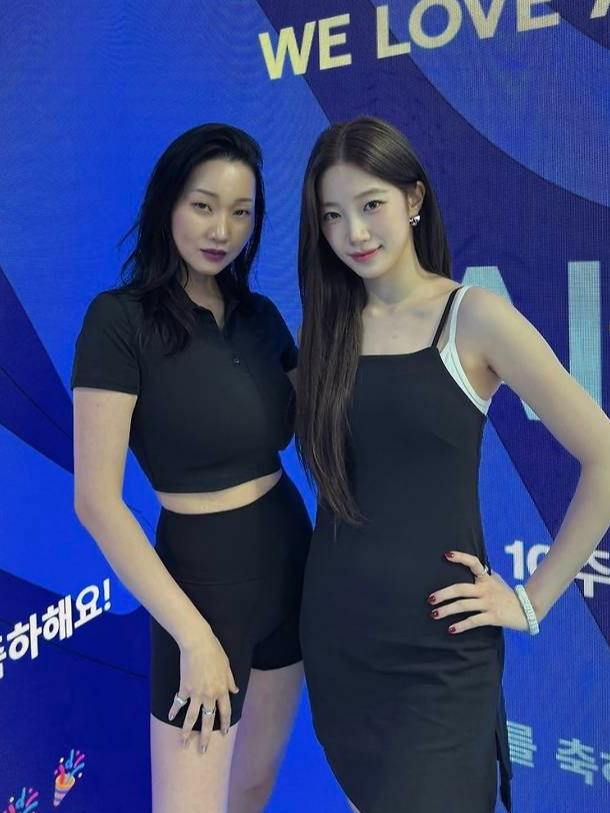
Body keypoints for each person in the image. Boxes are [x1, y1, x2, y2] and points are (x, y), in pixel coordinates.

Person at [295, 116, 610, 813]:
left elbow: (605, 455)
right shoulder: (327, 326)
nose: (354, 232)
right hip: (342, 645)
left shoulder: (473, 316)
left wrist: (530, 601)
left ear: (414, 198)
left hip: (442, 655)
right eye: (333, 215)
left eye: (371, 204)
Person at [71, 123, 311, 813]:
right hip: (201, 585)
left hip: (290, 560)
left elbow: (321, 423)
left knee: (254, 788)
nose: (222, 230)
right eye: (204, 205)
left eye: (241, 212)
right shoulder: (118, 321)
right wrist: (194, 635)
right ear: (168, 202)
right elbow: (96, 501)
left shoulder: (260, 316)